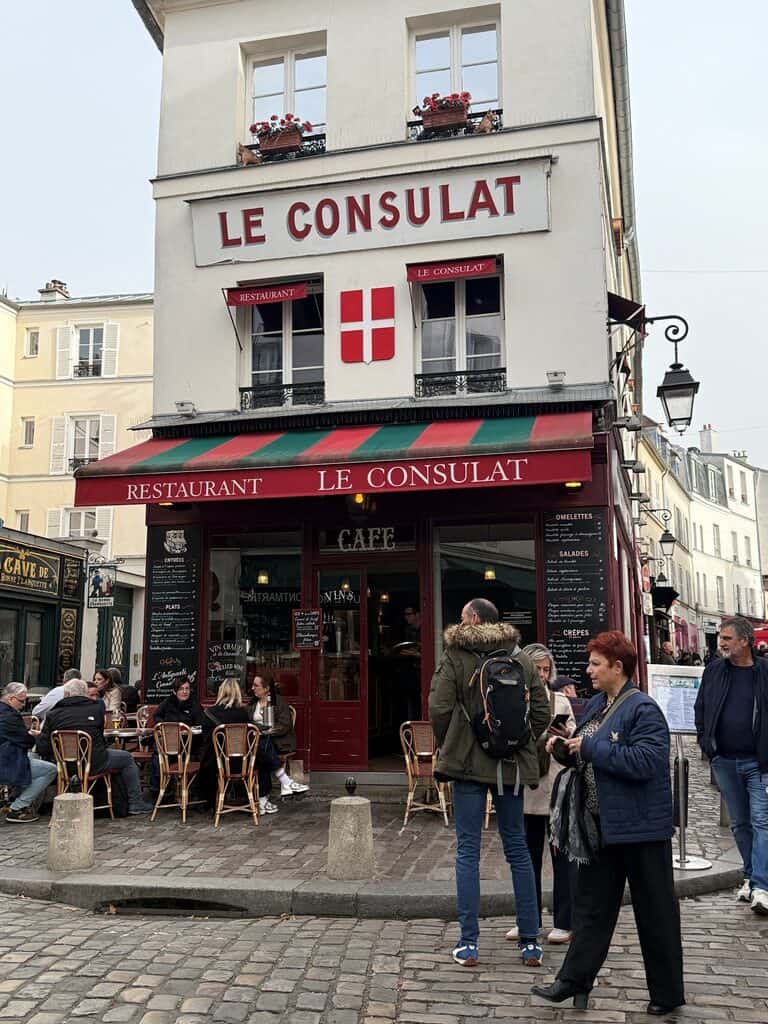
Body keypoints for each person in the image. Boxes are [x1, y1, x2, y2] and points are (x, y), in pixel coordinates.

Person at [531, 630, 684, 1017]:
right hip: (601, 828)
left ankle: (667, 993)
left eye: (596, 664)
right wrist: (565, 748)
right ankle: (574, 981)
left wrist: (592, 747)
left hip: (641, 830)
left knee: (655, 913)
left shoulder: (642, 709)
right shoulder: (599, 703)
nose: (589, 671)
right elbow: (588, 757)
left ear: (618, 667)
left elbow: (646, 762)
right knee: (592, 909)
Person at [429, 598, 549, 969]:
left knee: (468, 851)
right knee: (518, 850)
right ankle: (530, 941)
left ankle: (469, 943)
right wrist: (513, 740)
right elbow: (542, 711)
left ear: (475, 619)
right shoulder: (521, 657)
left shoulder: (455, 655)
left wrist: (454, 741)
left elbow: (439, 707)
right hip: (509, 766)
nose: (460, 622)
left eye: (463, 617)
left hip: (467, 766)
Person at [694, 616, 768, 914]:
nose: (721, 643)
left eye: (727, 638)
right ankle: (751, 877)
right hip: (724, 760)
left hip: (759, 762)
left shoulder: (764, 673)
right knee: (740, 823)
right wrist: (707, 745)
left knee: (762, 822)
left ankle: (762, 885)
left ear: (745, 641)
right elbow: (701, 708)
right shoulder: (714, 671)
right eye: (720, 638)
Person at [505, 643, 576, 946]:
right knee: (527, 859)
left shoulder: (560, 701)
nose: (544, 675)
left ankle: (564, 921)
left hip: (556, 787)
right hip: (527, 788)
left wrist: (563, 737)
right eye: (538, 670)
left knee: (562, 860)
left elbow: (573, 739)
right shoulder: (512, 699)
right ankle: (527, 920)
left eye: (547, 670)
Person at [35, 679, 153, 815]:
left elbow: (43, 747)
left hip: (65, 766)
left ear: (66, 694)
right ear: (85, 693)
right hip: (95, 762)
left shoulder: (52, 714)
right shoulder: (97, 708)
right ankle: (135, 802)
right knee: (126, 758)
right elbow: (99, 732)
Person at [0, 682, 57, 823]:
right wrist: (32, 736)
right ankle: (17, 807)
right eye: (21, 700)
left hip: (7, 756)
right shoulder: (9, 716)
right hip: (5, 761)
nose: (23, 704)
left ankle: (14, 798)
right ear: (11, 699)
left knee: (32, 758)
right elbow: (26, 741)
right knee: (50, 770)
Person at [250, 676, 309, 801]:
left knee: (261, 750)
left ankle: (263, 800)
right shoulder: (252, 704)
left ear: (266, 688)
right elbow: (247, 722)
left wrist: (266, 732)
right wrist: (260, 730)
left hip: (278, 741)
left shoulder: (279, 702)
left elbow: (285, 725)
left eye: (256, 685)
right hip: (257, 742)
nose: (252, 688)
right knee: (261, 751)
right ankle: (285, 782)